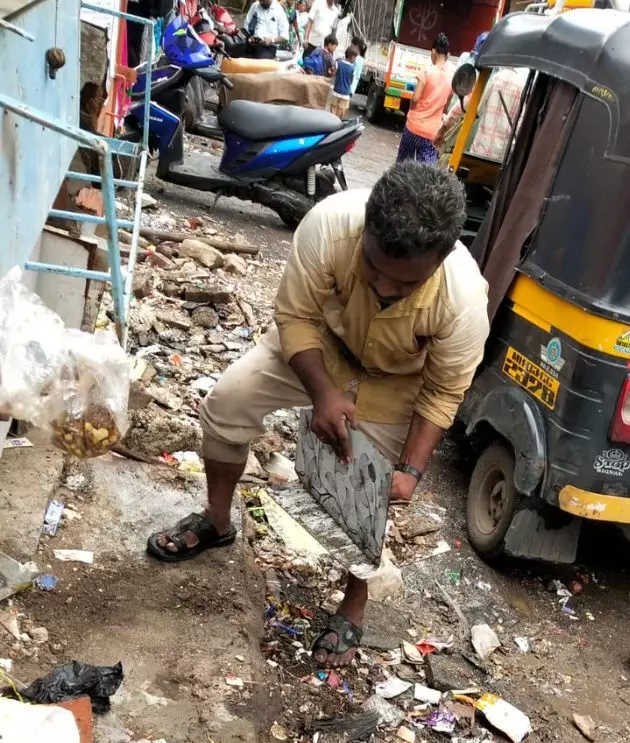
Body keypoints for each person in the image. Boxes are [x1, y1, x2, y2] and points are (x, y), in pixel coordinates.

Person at [144, 162, 491, 668]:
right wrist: (324, 393)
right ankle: (217, 521)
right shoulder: (330, 224)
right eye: (374, 269)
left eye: (405, 284)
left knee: (369, 488)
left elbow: (441, 394)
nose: (385, 290)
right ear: (366, 230)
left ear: (439, 262)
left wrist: (410, 472)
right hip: (318, 345)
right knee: (226, 404)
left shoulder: (463, 304)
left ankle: (353, 607)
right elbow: (295, 315)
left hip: (396, 380)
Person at [397, 33, 455, 165]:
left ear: (433, 51)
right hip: (432, 133)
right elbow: (446, 106)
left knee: (402, 168)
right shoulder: (451, 80)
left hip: (413, 127)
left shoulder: (426, 72)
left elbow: (415, 98)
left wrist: (412, 109)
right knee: (427, 173)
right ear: (448, 55)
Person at [328, 45, 359, 118]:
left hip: (336, 91)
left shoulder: (338, 63)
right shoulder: (352, 68)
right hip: (345, 94)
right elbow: (351, 81)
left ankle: (331, 122)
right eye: (355, 57)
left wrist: (330, 71)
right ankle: (336, 124)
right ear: (352, 57)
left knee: (332, 110)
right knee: (340, 113)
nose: (355, 59)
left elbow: (333, 74)